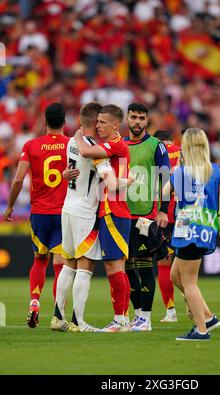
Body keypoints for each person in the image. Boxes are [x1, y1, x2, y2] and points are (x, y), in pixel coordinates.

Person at [3, 103, 69, 328]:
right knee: (60, 264)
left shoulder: (31, 145)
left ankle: (34, 302)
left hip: (39, 212)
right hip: (63, 212)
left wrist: (10, 207)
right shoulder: (72, 145)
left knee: (40, 260)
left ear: (45, 122)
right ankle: (58, 313)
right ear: (65, 122)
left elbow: (19, 180)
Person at [50, 102, 115, 333]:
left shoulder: (71, 142)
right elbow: (109, 179)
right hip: (85, 212)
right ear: (96, 122)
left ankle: (58, 317)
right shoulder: (93, 149)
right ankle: (79, 321)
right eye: (100, 121)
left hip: (67, 207)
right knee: (85, 266)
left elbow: (71, 169)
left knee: (68, 264)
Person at [74, 104, 132, 332]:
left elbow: (87, 152)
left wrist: (79, 137)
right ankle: (122, 319)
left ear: (116, 125)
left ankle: (120, 320)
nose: (97, 125)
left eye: (103, 122)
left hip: (114, 211)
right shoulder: (110, 145)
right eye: (97, 121)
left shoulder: (116, 144)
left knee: (114, 267)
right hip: (110, 210)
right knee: (116, 267)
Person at [163, 128, 220, 341]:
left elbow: (163, 193)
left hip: (188, 225)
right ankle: (207, 316)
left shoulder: (179, 172)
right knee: (175, 276)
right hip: (207, 224)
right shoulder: (215, 170)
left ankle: (201, 329)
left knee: (189, 281)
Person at [123, 103, 171, 331]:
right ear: (127, 118)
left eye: (142, 118)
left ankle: (147, 318)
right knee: (126, 267)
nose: (137, 122)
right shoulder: (119, 145)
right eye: (134, 117)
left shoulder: (156, 146)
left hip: (146, 215)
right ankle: (139, 315)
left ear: (147, 120)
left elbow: (166, 180)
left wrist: (163, 209)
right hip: (122, 215)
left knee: (144, 266)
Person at [153, 130, 181, 323]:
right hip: (184, 215)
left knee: (163, 265)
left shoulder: (154, 151)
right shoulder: (183, 152)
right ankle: (192, 302)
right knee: (186, 264)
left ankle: (170, 311)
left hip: (162, 213)